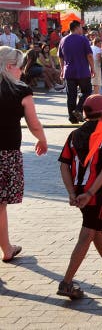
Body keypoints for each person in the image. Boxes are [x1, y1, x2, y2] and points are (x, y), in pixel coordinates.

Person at [56, 94, 102, 299]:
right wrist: (90, 193)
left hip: (79, 192)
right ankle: (66, 282)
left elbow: (64, 165)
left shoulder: (73, 135)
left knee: (94, 227)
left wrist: (72, 193)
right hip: (95, 194)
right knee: (87, 233)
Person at [0, 47, 48, 264]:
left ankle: (7, 247)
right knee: (0, 205)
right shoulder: (20, 90)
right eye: (19, 67)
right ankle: (7, 248)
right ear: (9, 67)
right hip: (6, 153)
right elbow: (34, 123)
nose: (21, 72)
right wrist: (42, 140)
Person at [58, 20, 95, 124]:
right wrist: (93, 68)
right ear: (77, 27)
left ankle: (72, 118)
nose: (82, 30)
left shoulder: (63, 40)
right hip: (82, 71)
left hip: (69, 71)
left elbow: (60, 57)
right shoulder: (83, 39)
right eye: (81, 27)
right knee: (87, 92)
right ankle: (78, 109)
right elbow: (89, 55)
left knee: (71, 95)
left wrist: (62, 70)